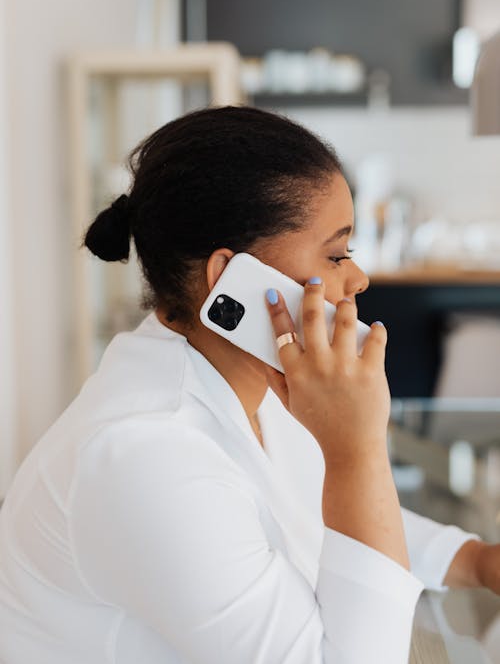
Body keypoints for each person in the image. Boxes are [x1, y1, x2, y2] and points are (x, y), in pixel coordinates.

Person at [0, 106, 495, 664]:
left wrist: (475, 559)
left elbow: (319, 509)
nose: (357, 278)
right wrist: (356, 448)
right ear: (229, 278)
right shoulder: (147, 453)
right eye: (336, 254)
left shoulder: (246, 374)